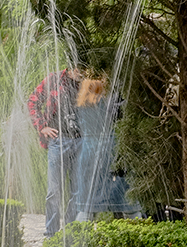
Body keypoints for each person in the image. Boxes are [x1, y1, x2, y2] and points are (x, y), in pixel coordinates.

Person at [73, 76, 141, 221]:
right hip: (111, 152)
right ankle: (141, 237)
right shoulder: (110, 104)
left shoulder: (81, 105)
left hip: (88, 155)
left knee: (87, 206)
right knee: (128, 201)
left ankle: (78, 240)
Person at [28, 67, 82, 237]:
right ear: (73, 67)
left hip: (82, 141)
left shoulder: (88, 82)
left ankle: (71, 232)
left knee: (78, 191)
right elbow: (32, 101)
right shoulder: (55, 79)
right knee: (54, 191)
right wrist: (42, 127)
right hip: (59, 141)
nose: (84, 72)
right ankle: (51, 233)